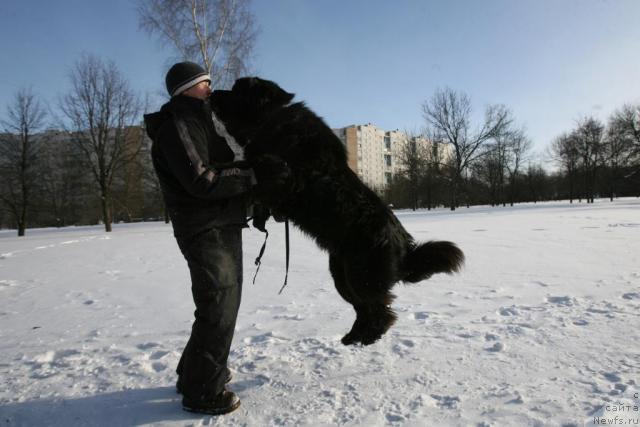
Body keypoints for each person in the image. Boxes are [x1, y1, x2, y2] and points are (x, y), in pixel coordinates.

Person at [143, 61, 255, 415]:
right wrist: (254, 176)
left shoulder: (199, 120)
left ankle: (193, 375)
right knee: (218, 307)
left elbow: (221, 169)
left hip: (221, 223)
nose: (210, 87)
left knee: (220, 305)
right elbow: (203, 179)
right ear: (184, 89)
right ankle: (203, 391)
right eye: (204, 82)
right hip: (204, 228)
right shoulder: (178, 125)